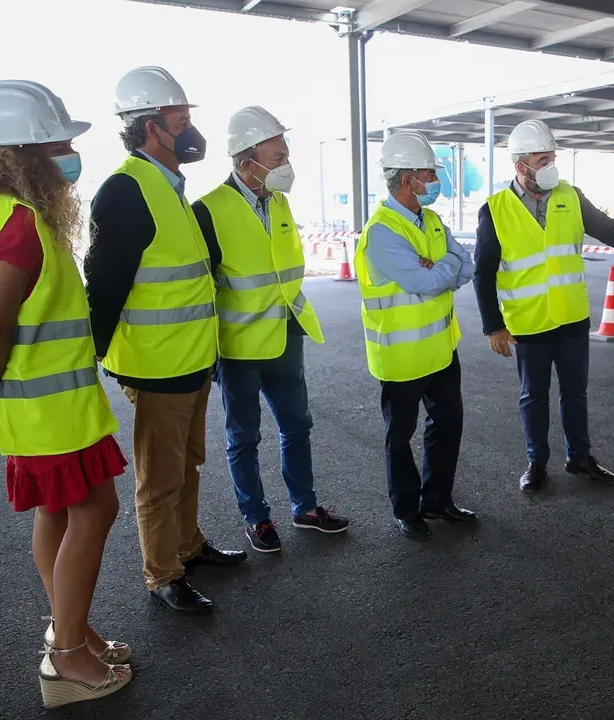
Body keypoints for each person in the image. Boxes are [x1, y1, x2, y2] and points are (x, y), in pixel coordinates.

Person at [0, 80, 132, 707]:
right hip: (46, 409)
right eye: (60, 141)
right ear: (25, 151)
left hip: (42, 407)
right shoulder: (17, 223)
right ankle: (65, 656)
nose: (71, 153)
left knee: (59, 511)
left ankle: (74, 630)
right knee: (95, 511)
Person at [84, 66, 245, 614]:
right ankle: (162, 574)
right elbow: (103, 287)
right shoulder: (126, 190)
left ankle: (187, 545)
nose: (192, 129)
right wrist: (92, 362)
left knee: (188, 464)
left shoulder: (170, 187)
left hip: (193, 360)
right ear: (153, 126)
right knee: (159, 478)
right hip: (157, 367)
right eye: (183, 120)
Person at [473, 120, 614, 492]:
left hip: (573, 319)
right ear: (521, 166)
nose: (550, 167)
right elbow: (483, 273)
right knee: (534, 396)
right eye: (542, 160)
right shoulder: (494, 210)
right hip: (528, 323)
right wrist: (493, 327)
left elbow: (607, 228)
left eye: (552, 158)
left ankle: (580, 457)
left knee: (575, 393)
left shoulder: (571, 196)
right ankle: (537, 461)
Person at [192, 106, 349, 553]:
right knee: (243, 437)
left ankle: (305, 508)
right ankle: (256, 518)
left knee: (297, 426)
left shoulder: (279, 202)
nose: (286, 165)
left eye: (285, 156)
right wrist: (211, 355)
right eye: (276, 158)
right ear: (246, 163)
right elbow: (203, 288)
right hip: (238, 348)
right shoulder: (207, 211)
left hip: (284, 337)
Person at [354, 131, 476, 541]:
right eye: (429, 174)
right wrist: (439, 271)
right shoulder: (382, 232)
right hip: (402, 355)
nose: (435, 181)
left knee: (448, 424)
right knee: (400, 436)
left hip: (441, 349)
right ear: (408, 180)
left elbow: (466, 263)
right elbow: (427, 281)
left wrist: (435, 269)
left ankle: (437, 500)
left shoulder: (432, 221)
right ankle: (407, 509)